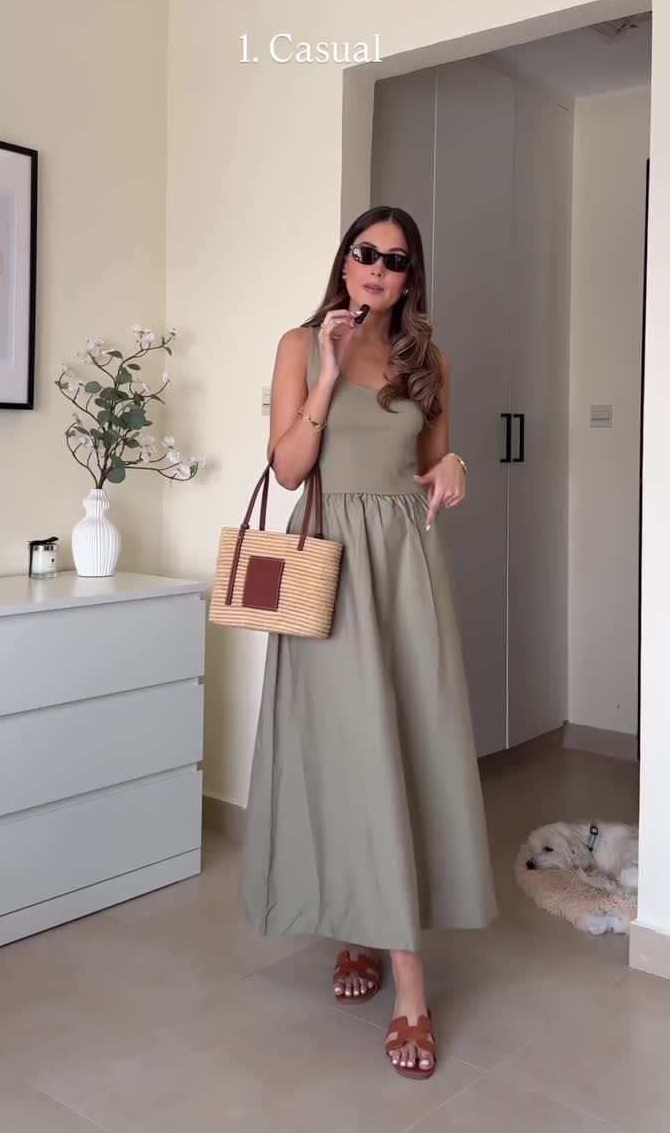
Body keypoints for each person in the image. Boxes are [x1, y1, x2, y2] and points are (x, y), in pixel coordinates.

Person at [239, 205, 496, 1078]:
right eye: (365, 252)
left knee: (408, 746)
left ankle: (407, 983)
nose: (378, 268)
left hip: (406, 569)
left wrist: (456, 464)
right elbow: (287, 468)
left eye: (396, 258)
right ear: (344, 261)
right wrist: (327, 368)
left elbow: (432, 467)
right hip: (327, 563)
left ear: (410, 274)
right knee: (345, 751)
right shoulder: (298, 343)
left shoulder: (431, 361)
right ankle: (358, 929)